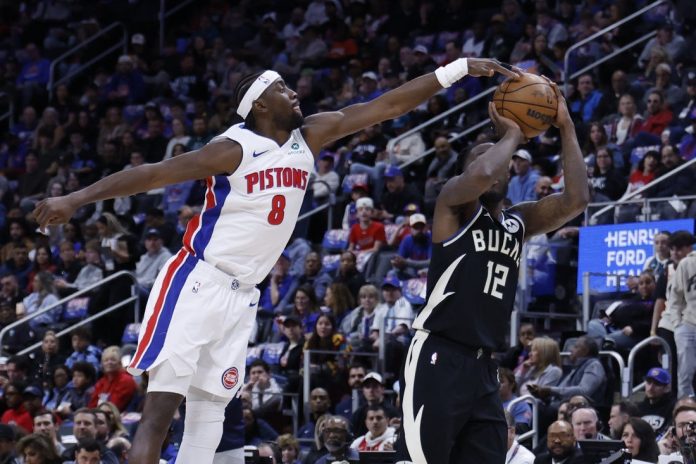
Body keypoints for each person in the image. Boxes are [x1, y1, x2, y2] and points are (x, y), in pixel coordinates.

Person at [34, 59, 518, 464]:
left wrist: (457, 70)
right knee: (160, 412)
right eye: (282, 88)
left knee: (210, 416)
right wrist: (75, 199)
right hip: (197, 280)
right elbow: (151, 174)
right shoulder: (233, 149)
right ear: (260, 105)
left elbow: (386, 106)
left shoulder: (310, 135)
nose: (294, 92)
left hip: (243, 295)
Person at [394, 76, 588, 464]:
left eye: (503, 162)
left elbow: (577, 200)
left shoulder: (519, 222)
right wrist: (512, 134)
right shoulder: (453, 205)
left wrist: (566, 125)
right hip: (439, 353)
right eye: (488, 158)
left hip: (485, 367)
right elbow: (482, 175)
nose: (496, 167)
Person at [664, 243, 696, 399]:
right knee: (685, 372)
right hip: (688, 324)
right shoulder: (687, 263)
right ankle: (684, 406)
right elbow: (675, 297)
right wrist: (677, 324)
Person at [637, 367, 676, 436]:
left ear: (666, 388)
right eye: (649, 382)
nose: (651, 388)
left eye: (657, 384)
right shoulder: (638, 408)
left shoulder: (673, 408)